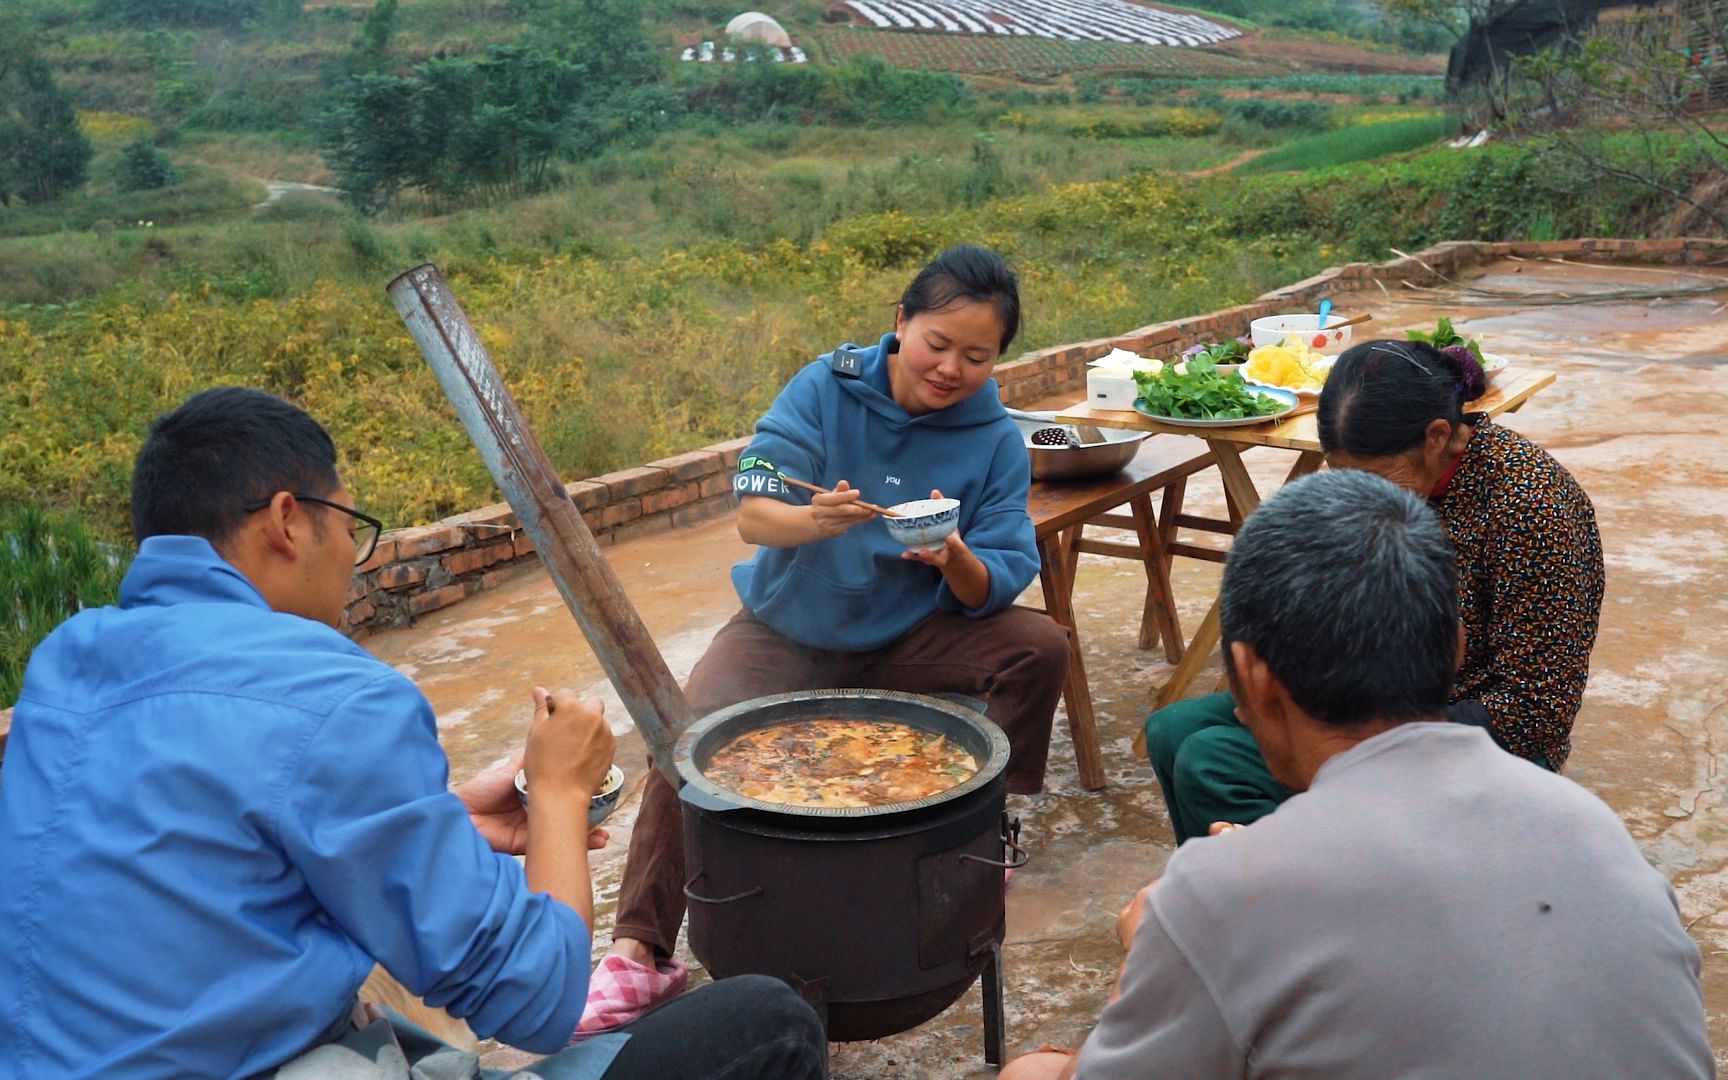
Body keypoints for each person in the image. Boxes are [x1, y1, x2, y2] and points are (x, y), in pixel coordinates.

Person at [0, 387, 827, 1079]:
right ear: (289, 519)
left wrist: (442, 821)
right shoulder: (333, 694)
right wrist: (563, 800)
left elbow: (212, 866)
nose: (352, 560)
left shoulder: (64, 666)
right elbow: (536, 1000)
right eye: (349, 524)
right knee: (767, 1023)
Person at [1001, 469, 1710, 1080]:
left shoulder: (1221, 896)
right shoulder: (1603, 837)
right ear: (1457, 647)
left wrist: (1155, 947)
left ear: (1254, 676)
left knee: (1032, 1071)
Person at [583, 245, 1070, 1031]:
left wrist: (957, 559)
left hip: (911, 633)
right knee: (684, 735)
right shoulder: (827, 387)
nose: (951, 369)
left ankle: (983, 841)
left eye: (977, 357)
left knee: (1040, 646)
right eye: (937, 344)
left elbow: (1001, 575)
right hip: (788, 630)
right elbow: (753, 507)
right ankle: (639, 952)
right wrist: (816, 520)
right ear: (900, 323)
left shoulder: (993, 437)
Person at [1145, 337, 1605, 843]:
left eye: (1381, 479)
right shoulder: (1395, 479)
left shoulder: (1531, 506)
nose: (1365, 500)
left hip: (1483, 730)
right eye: (1343, 477)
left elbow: (1537, 706)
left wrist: (1356, 735)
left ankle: (1305, 892)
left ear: (1436, 436)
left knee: (1211, 763)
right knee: (1171, 731)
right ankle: (1257, 873)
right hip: (1364, 694)